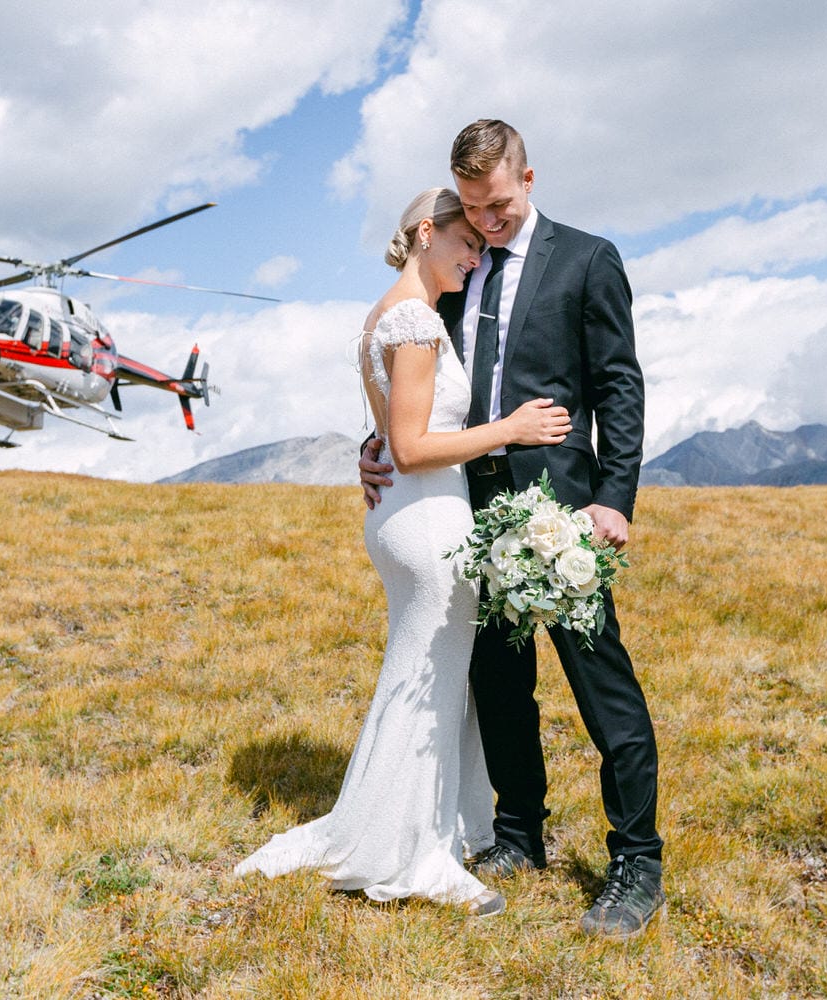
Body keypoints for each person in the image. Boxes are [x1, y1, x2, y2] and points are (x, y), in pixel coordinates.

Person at [360, 120, 666, 940]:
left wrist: (615, 500)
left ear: (529, 179)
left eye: (496, 206)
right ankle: (519, 834)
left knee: (604, 688)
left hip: (564, 513)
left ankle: (637, 862)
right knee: (499, 684)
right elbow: (424, 380)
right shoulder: (456, 267)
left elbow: (619, 386)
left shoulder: (588, 260)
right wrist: (377, 441)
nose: (486, 224)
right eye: (471, 209)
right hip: (471, 508)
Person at [235, 187, 571, 916]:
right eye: (467, 243)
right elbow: (414, 448)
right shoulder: (416, 322)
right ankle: (409, 854)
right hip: (425, 521)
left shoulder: (379, 318)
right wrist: (511, 428)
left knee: (422, 678)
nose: (476, 256)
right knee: (428, 686)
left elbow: (390, 437)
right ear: (427, 231)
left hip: (401, 516)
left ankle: (429, 826)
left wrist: (374, 448)